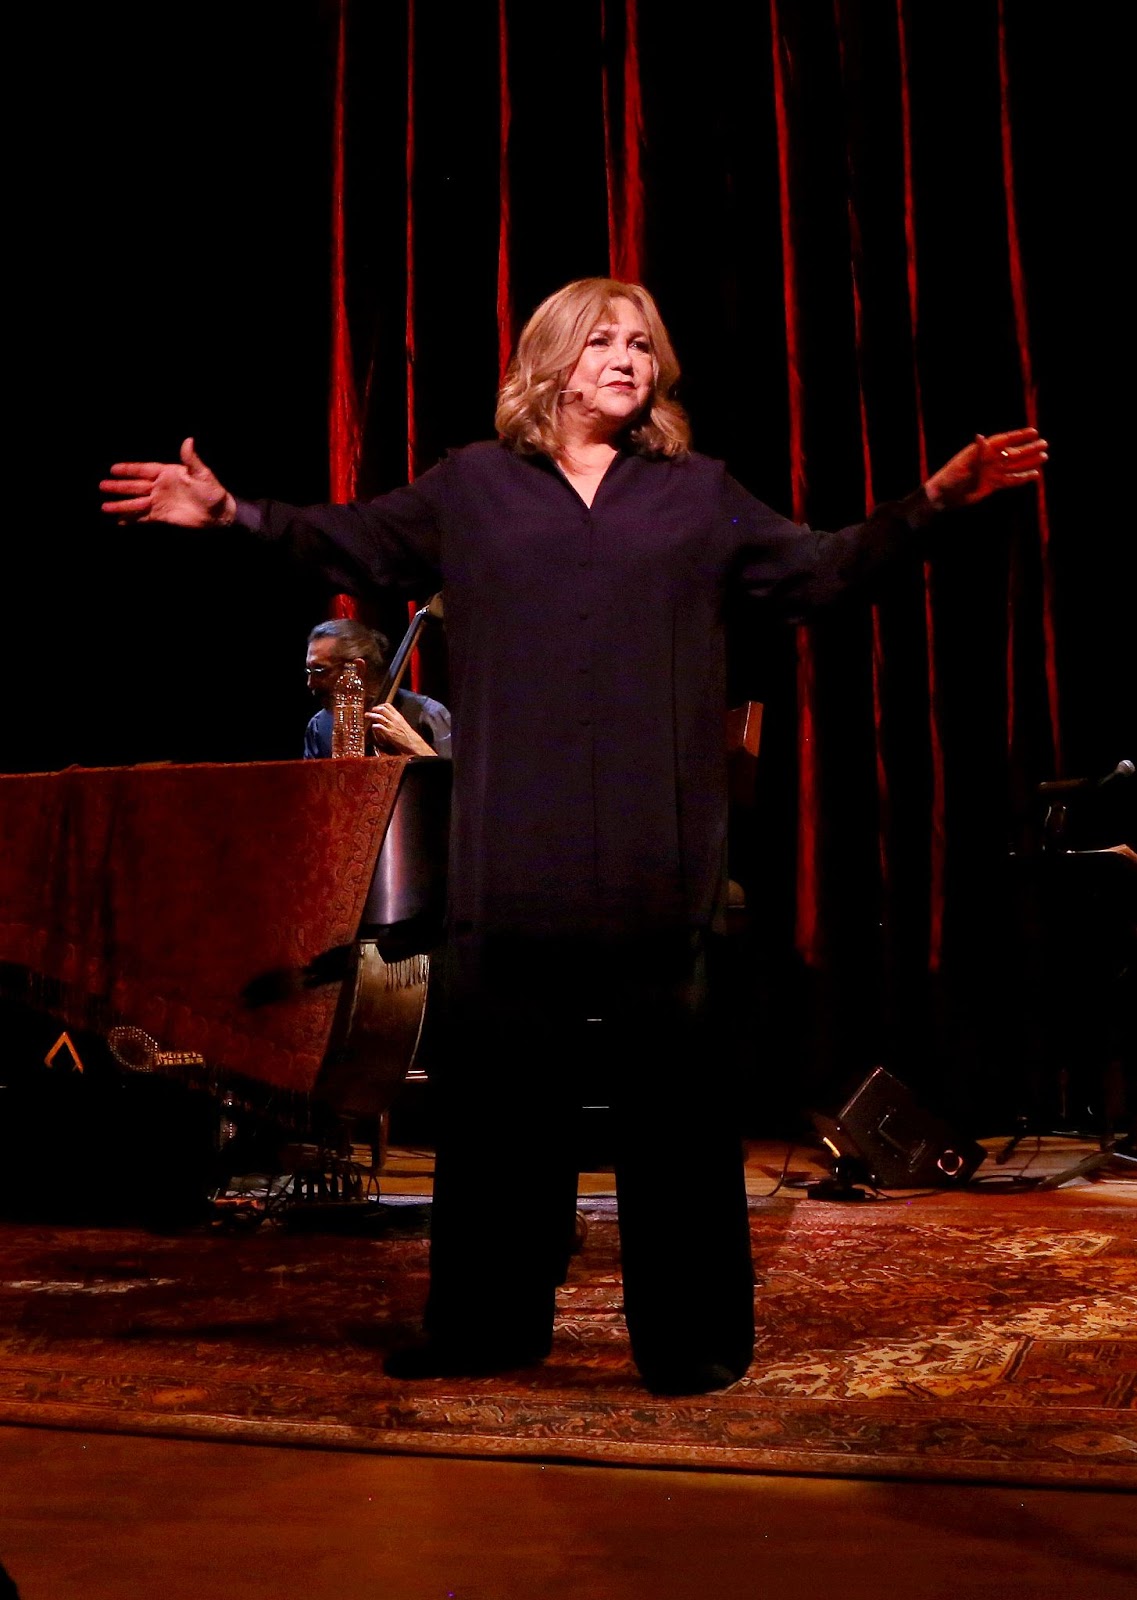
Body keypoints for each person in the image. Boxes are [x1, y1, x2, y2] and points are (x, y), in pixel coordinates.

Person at [100, 276, 1047, 1394]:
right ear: (546, 362)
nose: (628, 356)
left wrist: (931, 503)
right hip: (514, 876)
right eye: (601, 338)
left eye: (643, 341)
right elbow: (347, 542)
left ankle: (691, 1340)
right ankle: (488, 1328)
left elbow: (820, 570)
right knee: (498, 1125)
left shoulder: (696, 495)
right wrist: (232, 515)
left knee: (682, 1131)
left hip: (660, 873)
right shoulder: (475, 489)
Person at [303, 615, 452, 760]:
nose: (310, 683)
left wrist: (415, 746)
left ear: (357, 669)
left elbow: (459, 782)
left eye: (320, 670)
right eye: (309, 671)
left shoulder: (427, 714)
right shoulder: (319, 726)